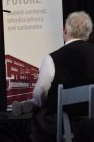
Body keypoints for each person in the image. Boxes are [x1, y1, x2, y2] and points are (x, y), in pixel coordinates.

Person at [31, 11, 94, 142]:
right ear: (88, 33)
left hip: (63, 123)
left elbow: (39, 93)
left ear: (64, 31)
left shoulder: (52, 59)